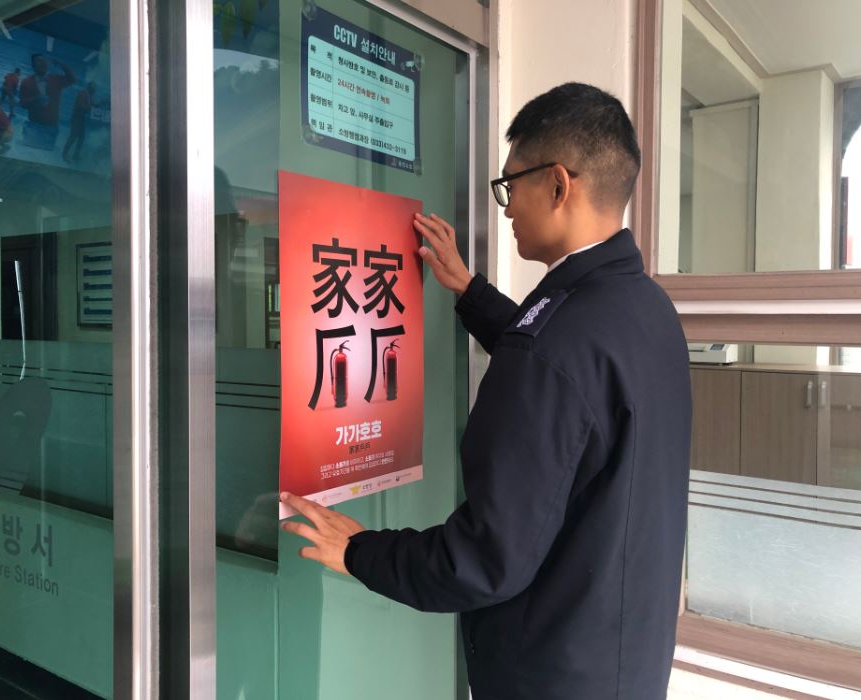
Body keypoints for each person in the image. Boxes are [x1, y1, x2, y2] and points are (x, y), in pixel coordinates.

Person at [281, 82, 692, 700]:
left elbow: (483, 560)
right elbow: (568, 384)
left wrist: (359, 551)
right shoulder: (644, 309)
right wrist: (470, 292)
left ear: (557, 185)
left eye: (510, 185)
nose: (505, 208)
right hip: (622, 657)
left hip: (551, 676)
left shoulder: (560, 341)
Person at [18, 53, 76, 128]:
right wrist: (35, 100)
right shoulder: (26, 82)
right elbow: (22, 104)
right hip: (33, 125)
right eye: (39, 61)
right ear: (33, 66)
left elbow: (72, 79)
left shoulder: (56, 80)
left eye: (44, 60)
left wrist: (61, 64)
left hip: (52, 127)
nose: (43, 62)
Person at [62, 81, 95, 163]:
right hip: (76, 118)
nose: (94, 91)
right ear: (90, 88)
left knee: (81, 137)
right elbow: (81, 106)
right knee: (73, 137)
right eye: (93, 89)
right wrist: (89, 107)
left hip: (81, 119)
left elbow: (92, 104)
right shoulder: (82, 93)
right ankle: (64, 154)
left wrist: (98, 104)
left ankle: (76, 155)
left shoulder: (89, 95)